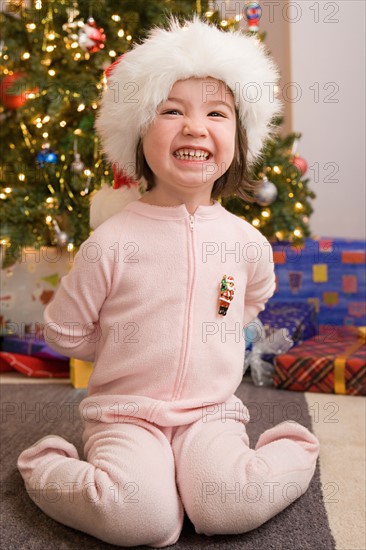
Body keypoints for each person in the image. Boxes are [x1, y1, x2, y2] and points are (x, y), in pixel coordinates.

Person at [17, 17, 320, 548]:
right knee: (141, 521)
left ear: (239, 140)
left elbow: (252, 297)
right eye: (171, 110)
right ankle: (47, 466)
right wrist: (119, 341)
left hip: (211, 412)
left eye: (216, 113)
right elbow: (64, 330)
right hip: (125, 413)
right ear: (138, 135)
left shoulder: (245, 242)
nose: (195, 127)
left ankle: (290, 447)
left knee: (228, 505)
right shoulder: (111, 242)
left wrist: (220, 325)